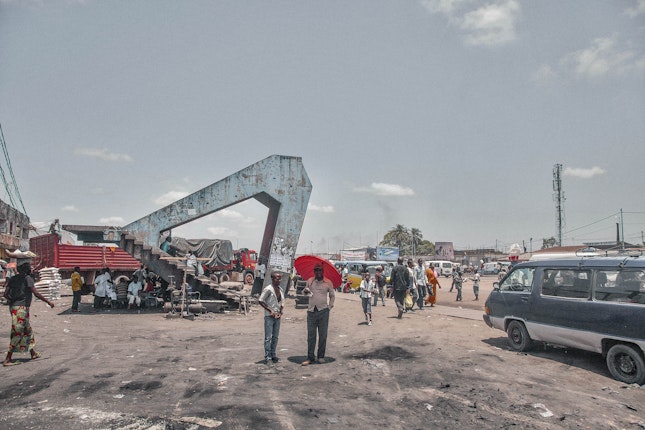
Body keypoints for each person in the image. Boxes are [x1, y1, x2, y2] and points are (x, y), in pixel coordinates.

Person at [3, 258, 55, 366]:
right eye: (29, 267)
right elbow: (36, 293)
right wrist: (49, 302)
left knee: (27, 330)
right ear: (25, 269)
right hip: (22, 309)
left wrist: (13, 301)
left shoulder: (13, 279)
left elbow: (5, 294)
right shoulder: (27, 278)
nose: (31, 268)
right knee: (17, 332)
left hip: (14, 307)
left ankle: (33, 353)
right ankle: (8, 359)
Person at [301, 263, 335, 366]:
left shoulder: (328, 282)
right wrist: (305, 291)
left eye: (320, 270)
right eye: (316, 270)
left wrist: (329, 307)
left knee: (323, 335)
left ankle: (320, 356)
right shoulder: (310, 281)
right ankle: (310, 357)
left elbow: (332, 296)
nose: (318, 272)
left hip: (323, 311)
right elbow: (304, 293)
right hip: (311, 311)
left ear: (322, 271)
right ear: (314, 271)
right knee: (311, 336)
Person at [258, 271, 285, 364]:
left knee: (275, 337)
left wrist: (281, 311)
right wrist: (270, 310)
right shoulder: (268, 289)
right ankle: (268, 357)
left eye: (280, 278)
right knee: (268, 337)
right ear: (273, 279)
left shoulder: (280, 289)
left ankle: (273, 354)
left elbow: (281, 302)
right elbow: (261, 300)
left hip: (277, 316)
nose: (279, 280)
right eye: (278, 278)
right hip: (269, 316)